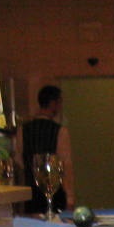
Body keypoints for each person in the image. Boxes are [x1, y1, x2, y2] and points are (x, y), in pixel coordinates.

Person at [20, 84, 73, 213]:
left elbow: (20, 161)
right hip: (55, 193)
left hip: (30, 192)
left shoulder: (23, 130)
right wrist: (70, 197)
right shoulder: (60, 131)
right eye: (60, 102)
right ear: (54, 103)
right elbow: (65, 165)